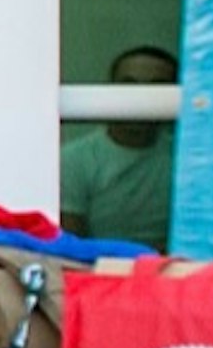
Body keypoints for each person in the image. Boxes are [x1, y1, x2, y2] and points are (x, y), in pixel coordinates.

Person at [59, 45, 178, 249]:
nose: (141, 99)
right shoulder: (73, 161)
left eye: (156, 88)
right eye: (129, 86)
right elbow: (72, 246)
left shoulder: (185, 161)